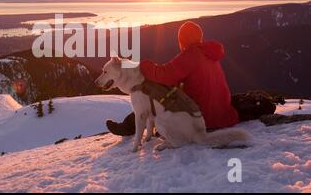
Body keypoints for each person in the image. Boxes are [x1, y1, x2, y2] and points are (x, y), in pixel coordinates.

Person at [106, 21, 270, 136]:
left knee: (154, 96)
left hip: (200, 115)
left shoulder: (190, 55)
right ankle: (129, 125)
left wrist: (144, 65)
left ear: (182, 39)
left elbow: (164, 75)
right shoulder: (209, 54)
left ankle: (128, 127)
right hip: (221, 111)